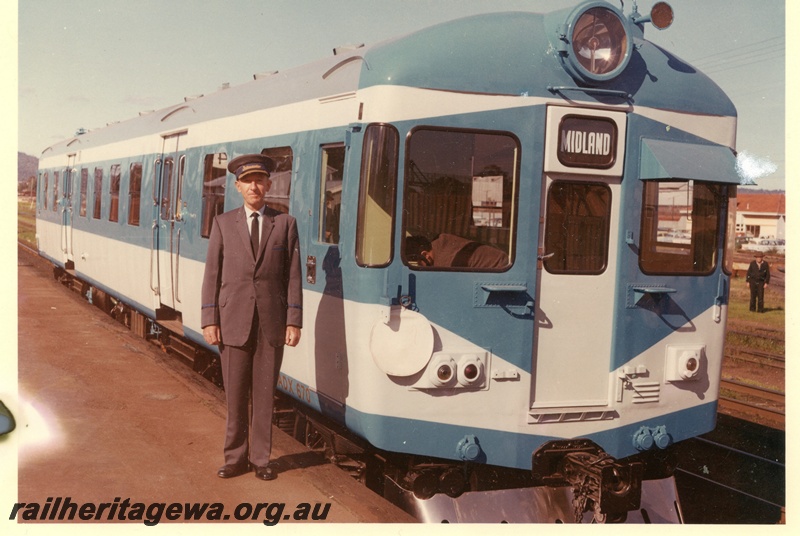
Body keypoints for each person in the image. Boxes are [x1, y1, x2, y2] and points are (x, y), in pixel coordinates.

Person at [201, 153, 303, 481]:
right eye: (248, 181)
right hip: (232, 321)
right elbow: (212, 276)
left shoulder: (285, 224)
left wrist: (293, 321)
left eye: (260, 180)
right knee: (235, 394)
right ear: (237, 186)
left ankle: (261, 459)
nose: (254, 186)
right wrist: (209, 320)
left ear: (269, 185)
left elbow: (293, 277)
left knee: (264, 395)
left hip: (271, 324)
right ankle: (234, 458)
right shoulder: (222, 224)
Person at [406, 233, 509, 269]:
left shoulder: (447, 263)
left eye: (419, 263)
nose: (420, 266)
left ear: (425, 255)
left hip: (501, 274)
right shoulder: (442, 242)